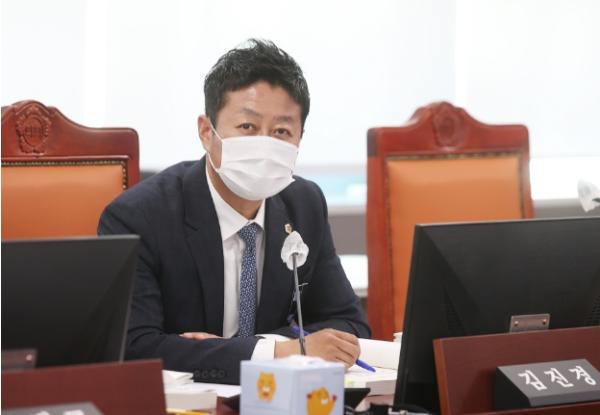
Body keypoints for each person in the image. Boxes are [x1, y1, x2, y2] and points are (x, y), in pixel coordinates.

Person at [98, 39, 371, 384]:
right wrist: (283, 352)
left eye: (282, 131)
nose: (265, 143)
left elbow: (349, 325)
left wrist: (261, 349)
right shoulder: (140, 216)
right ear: (206, 131)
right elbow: (135, 347)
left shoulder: (304, 203)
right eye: (247, 127)